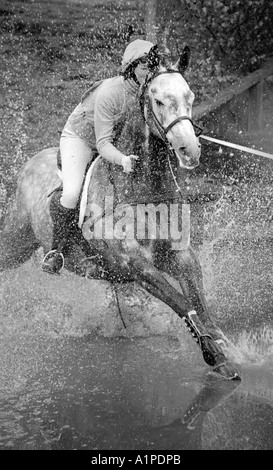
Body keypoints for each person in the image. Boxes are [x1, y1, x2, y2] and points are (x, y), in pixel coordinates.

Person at [42, 39, 155, 275]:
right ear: (131, 68)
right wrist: (123, 159)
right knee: (73, 193)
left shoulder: (148, 91)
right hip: (83, 140)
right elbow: (102, 144)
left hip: (113, 141)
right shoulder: (111, 93)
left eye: (151, 66)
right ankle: (56, 251)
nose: (149, 71)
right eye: (144, 66)